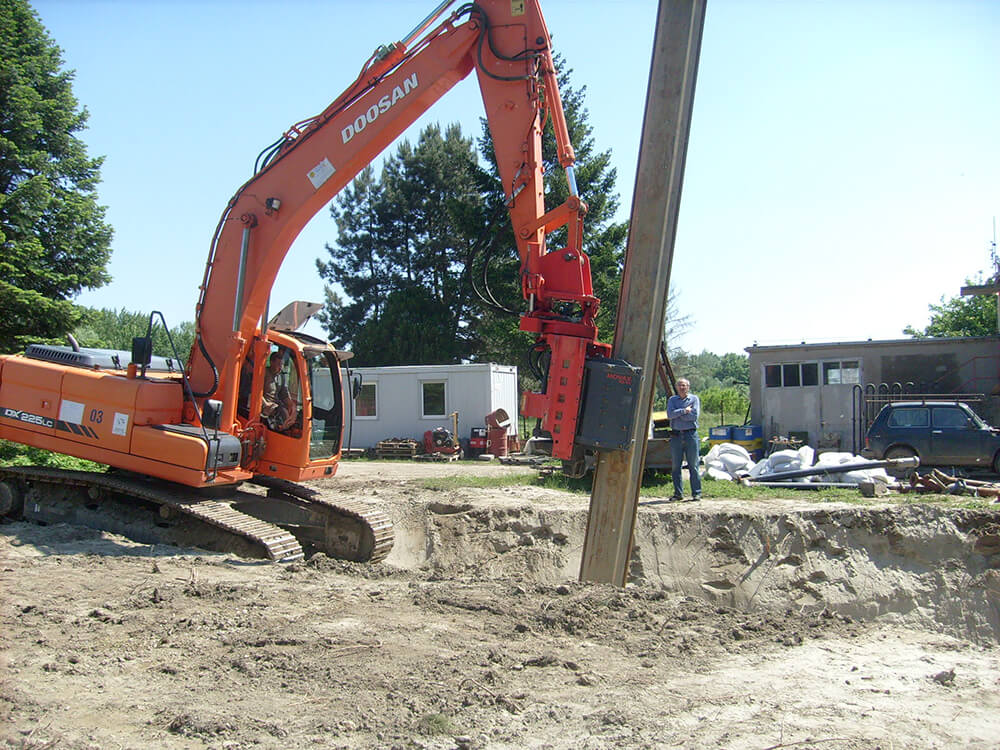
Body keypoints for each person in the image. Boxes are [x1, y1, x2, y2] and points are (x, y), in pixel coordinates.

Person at [667, 377, 702, 501]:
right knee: (676, 467)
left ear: (688, 387)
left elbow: (694, 416)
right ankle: (678, 494)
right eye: (680, 385)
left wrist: (678, 414)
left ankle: (696, 493)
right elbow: (670, 415)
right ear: (676, 387)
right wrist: (684, 411)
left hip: (690, 435)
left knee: (693, 465)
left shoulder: (694, 399)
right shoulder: (672, 400)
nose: (682, 388)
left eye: (684, 385)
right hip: (676, 435)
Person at [262, 351, 296, 431]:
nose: (280, 367)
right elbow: (256, 392)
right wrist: (266, 404)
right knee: (282, 413)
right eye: (278, 365)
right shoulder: (264, 373)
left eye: (282, 365)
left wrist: (292, 406)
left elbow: (284, 395)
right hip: (265, 405)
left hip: (276, 406)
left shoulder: (281, 376)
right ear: (271, 362)